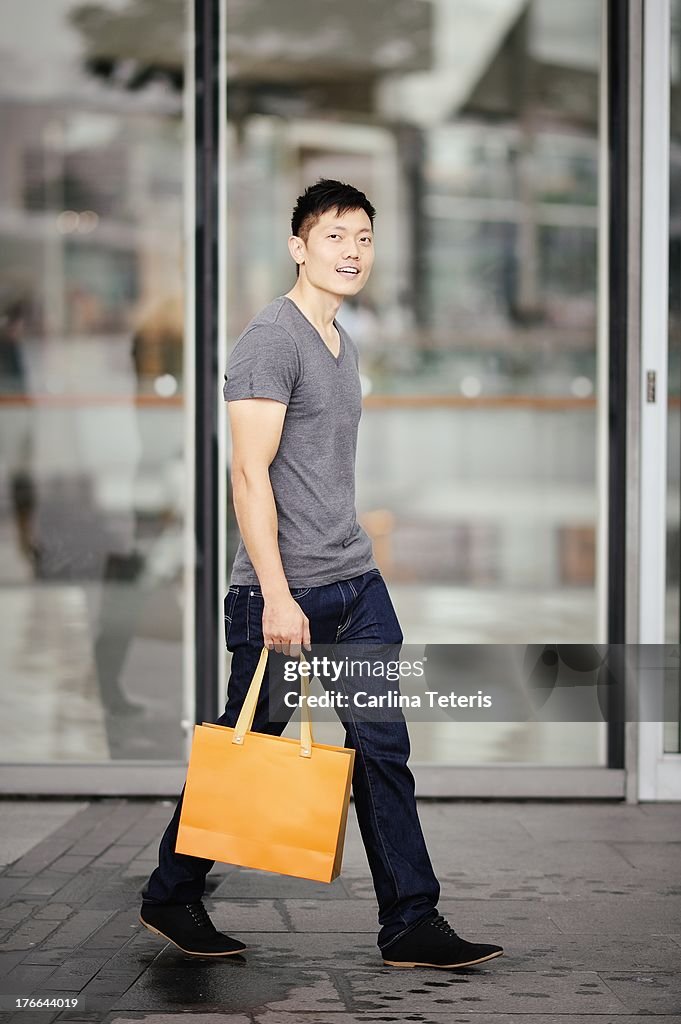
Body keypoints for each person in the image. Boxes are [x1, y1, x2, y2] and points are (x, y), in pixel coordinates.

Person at [140, 179, 504, 970]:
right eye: (335, 236)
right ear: (298, 246)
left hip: (355, 585)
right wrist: (274, 592)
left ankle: (411, 920)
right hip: (283, 591)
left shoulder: (344, 341)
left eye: (364, 238)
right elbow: (246, 473)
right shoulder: (271, 339)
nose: (351, 252)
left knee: (382, 752)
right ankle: (171, 892)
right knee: (249, 748)